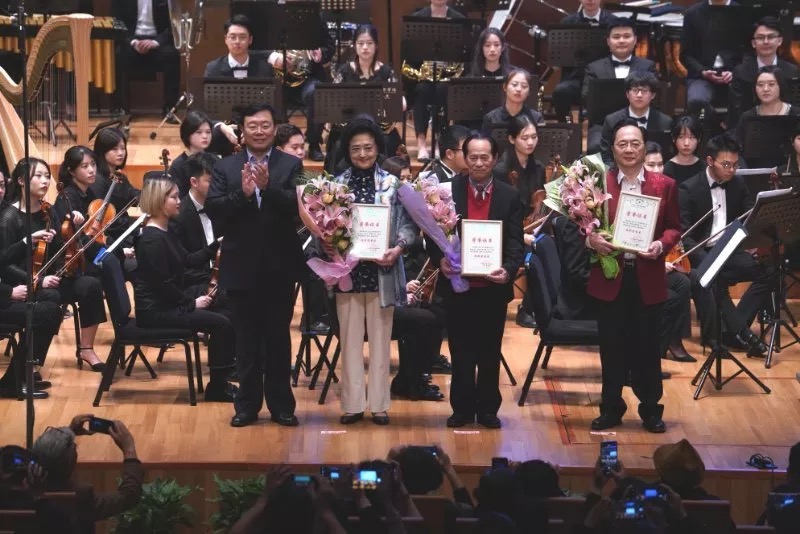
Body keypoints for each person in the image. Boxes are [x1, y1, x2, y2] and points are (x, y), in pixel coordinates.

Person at [206, 103, 304, 428]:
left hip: (280, 266)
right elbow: (214, 208)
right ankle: (246, 406)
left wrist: (268, 189)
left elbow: (301, 206)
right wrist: (244, 195)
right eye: (252, 126)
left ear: (275, 129)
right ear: (242, 130)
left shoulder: (293, 164)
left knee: (278, 339)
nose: (259, 131)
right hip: (239, 265)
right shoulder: (225, 167)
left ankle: (281, 406)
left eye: (265, 125)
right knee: (245, 341)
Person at [316, 119, 416, 426]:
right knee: (349, 342)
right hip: (347, 274)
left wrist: (398, 248)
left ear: (377, 149)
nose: (362, 154)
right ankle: (352, 404)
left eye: (368, 148)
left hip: (382, 273)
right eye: (356, 148)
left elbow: (409, 226)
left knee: (381, 341)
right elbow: (323, 228)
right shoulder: (334, 186)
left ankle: (379, 405)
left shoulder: (393, 184)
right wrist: (328, 244)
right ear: (347, 150)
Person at [586, 119, 680, 433]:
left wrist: (660, 245)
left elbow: (674, 227)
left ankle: (651, 410)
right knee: (611, 348)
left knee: (648, 348)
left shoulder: (665, 185)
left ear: (644, 147)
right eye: (622, 144)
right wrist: (591, 240)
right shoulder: (597, 184)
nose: (629, 149)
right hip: (610, 278)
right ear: (613, 149)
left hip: (647, 277)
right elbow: (582, 226)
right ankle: (611, 408)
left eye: (635, 143)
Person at [429, 133, 524, 429]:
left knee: (489, 351)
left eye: (485, 157)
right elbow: (433, 236)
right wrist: (440, 259)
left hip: (493, 288)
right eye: (473, 157)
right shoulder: (447, 191)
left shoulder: (509, 195)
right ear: (464, 158)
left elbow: (515, 242)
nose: (479, 163)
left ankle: (487, 409)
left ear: (494, 159)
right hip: (458, 286)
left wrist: (508, 270)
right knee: (460, 350)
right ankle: (461, 408)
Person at [0, 158, 108, 373]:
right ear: (21, 181)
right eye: (38, 176)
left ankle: (86, 349)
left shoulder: (48, 211)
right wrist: (39, 280)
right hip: (24, 283)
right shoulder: (9, 218)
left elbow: (61, 246)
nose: (45, 181)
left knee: (90, 285)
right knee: (51, 299)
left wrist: (71, 226)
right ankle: (31, 364)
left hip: (50, 278)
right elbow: (5, 265)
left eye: (47, 176)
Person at [135, 176, 237, 401]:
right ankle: (217, 387)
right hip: (156, 311)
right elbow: (162, 286)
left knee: (227, 308)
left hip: (167, 302)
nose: (179, 201)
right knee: (221, 323)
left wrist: (216, 245)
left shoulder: (164, 231)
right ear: (159, 201)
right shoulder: (152, 240)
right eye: (174, 197)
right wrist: (192, 303)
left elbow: (188, 260)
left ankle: (223, 377)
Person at [678, 135, 770, 357]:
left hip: (729, 251)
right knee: (712, 278)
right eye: (726, 165)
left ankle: (734, 330)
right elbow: (685, 235)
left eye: (735, 165)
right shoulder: (689, 188)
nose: (731, 170)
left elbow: (751, 217)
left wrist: (751, 242)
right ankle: (743, 335)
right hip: (701, 254)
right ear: (710, 161)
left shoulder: (738, 184)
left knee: (769, 271)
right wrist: (708, 260)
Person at [0, 171, 61, 399]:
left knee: (52, 300)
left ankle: (24, 373)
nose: (0, 191)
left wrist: (29, 241)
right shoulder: (8, 217)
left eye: (1, 186)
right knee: (46, 312)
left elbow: (2, 259)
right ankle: (14, 381)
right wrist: (8, 292)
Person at [31, 415, 143, 529]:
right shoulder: (79, 499)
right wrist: (129, 450)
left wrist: (71, 431)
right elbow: (129, 495)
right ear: (72, 464)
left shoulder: (24, 490)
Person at [644, 143, 696, 363]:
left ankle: (671, 342)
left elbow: (673, 228)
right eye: (651, 165)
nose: (657, 170)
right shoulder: (638, 190)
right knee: (680, 285)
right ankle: (662, 347)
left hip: (660, 257)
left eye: (660, 164)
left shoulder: (668, 188)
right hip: (640, 262)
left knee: (686, 282)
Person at [493, 114, 544, 328]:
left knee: (552, 246)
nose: (530, 142)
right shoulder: (500, 170)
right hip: (506, 234)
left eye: (534, 137)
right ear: (512, 139)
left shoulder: (538, 167)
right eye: (525, 137)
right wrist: (521, 235)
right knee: (537, 252)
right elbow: (497, 214)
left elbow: (539, 205)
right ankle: (527, 309)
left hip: (530, 229)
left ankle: (539, 307)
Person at [266, 7, 335, 162]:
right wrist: (273, 56)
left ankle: (314, 142)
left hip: (307, 78)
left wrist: (321, 53)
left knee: (318, 94)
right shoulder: (271, 14)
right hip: (277, 77)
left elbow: (329, 46)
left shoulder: (314, 16)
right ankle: (277, 144)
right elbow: (258, 45)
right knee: (267, 92)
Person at [331, 24, 403, 160]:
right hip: (348, 126)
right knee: (338, 143)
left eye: (369, 43)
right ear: (354, 45)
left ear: (376, 45)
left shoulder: (386, 72)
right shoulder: (345, 71)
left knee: (389, 142)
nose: (365, 47)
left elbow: (399, 101)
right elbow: (332, 98)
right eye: (361, 43)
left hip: (379, 127)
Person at [405, 0, 465, 161]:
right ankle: (421, 142)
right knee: (422, 90)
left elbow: (463, 53)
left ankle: (440, 141)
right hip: (424, 75)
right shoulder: (418, 18)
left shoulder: (458, 19)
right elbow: (410, 53)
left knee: (443, 90)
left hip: (447, 76)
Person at [111, 0, 180, 122]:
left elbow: (173, 25)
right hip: (131, 39)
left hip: (157, 40)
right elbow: (117, 22)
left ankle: (170, 109)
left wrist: (155, 42)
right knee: (116, 56)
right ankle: (121, 109)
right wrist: (133, 42)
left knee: (172, 56)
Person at [729, 17, 799, 129]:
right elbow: (736, 110)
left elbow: (796, 106)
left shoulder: (792, 71)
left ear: (780, 41)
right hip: (750, 128)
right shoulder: (741, 72)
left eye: (771, 37)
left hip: (785, 128)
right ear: (753, 43)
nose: (766, 42)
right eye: (760, 38)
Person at [552, 0, 616, 122]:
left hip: (603, 77)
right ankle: (566, 126)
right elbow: (560, 57)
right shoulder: (568, 22)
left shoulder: (613, 21)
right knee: (560, 92)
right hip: (576, 78)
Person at [680, 0, 743, 120]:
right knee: (697, 100)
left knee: (748, 99)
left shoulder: (742, 13)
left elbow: (748, 52)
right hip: (701, 76)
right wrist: (702, 71)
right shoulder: (692, 13)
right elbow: (685, 55)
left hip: (735, 75)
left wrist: (735, 72)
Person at [91, 128, 140, 271]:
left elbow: (133, 194)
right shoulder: (97, 181)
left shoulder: (119, 177)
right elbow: (106, 223)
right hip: (112, 238)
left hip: (125, 231)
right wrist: (135, 226)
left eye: (123, 148)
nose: (120, 153)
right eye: (114, 149)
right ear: (102, 151)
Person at [594, 71, 673, 160]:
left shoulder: (665, 122)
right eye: (635, 90)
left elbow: (667, 155)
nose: (639, 95)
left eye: (644, 91)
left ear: (653, 95)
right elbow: (606, 155)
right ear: (627, 94)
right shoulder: (612, 120)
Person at [734, 66, 800, 168]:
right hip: (755, 173)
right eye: (760, 85)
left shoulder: (796, 115)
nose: (765, 89)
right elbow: (736, 150)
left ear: (781, 86)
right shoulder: (747, 117)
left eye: (771, 84)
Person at [582, 17, 658, 103]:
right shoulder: (594, 68)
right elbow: (587, 98)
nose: (621, 41)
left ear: (635, 40)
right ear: (608, 41)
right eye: (616, 37)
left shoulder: (648, 66)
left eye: (627, 36)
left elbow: (654, 96)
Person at [204, 15, 274, 79]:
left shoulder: (264, 69)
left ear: (250, 40)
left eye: (242, 37)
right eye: (233, 37)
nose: (237, 41)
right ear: (226, 39)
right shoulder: (214, 68)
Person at [481, 69, 544, 137]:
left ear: (529, 92)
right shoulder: (491, 118)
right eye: (514, 85)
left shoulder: (536, 117)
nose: (519, 89)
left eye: (524, 86)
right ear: (505, 87)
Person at [169, 111, 214, 197]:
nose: (205, 136)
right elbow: (177, 197)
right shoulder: (178, 165)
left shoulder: (212, 159)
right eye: (199, 132)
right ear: (187, 134)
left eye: (208, 132)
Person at [663, 115, 705, 185]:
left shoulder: (704, 168)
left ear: (699, 139)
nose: (686, 143)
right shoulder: (666, 169)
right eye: (681, 137)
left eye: (691, 137)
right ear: (673, 138)